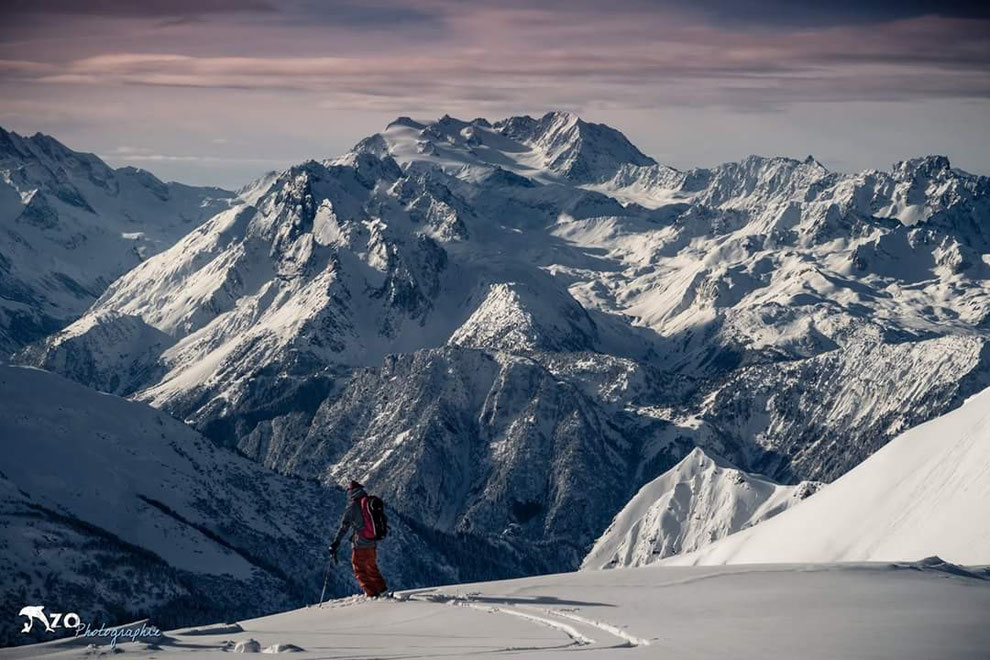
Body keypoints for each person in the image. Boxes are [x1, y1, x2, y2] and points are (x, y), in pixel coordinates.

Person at [329, 480, 388, 597]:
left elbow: (344, 527)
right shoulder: (368, 502)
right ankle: (383, 591)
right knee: (372, 567)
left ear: (352, 492)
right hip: (372, 542)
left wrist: (336, 542)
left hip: (360, 544)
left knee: (359, 570)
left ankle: (372, 594)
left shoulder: (352, 507)